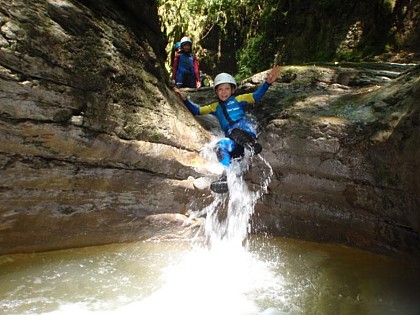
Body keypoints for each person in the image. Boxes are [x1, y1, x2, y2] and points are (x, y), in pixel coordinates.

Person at [174, 65, 281, 192]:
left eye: (227, 89)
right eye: (220, 89)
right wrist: (185, 99)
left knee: (235, 132)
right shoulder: (214, 107)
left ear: (232, 90)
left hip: (244, 131)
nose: (223, 92)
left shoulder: (239, 99)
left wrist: (267, 84)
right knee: (220, 146)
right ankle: (227, 176)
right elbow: (197, 111)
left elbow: (256, 96)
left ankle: (252, 145)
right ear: (216, 92)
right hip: (234, 141)